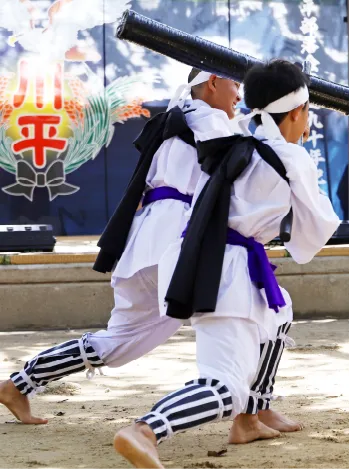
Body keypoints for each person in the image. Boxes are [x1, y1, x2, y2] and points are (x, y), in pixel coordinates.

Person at [113, 59, 341, 468]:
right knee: (223, 386)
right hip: (226, 270)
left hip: (204, 258)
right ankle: (145, 430)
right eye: (308, 112)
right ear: (296, 113)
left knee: (280, 309)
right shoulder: (290, 158)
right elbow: (319, 227)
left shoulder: (237, 144)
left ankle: (250, 417)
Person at [0, 68, 240, 425]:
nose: (239, 94)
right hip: (174, 243)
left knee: (118, 343)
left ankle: (19, 384)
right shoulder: (209, 120)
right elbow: (240, 173)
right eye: (235, 84)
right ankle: (251, 412)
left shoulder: (178, 119)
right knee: (255, 313)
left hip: (145, 244)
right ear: (213, 83)